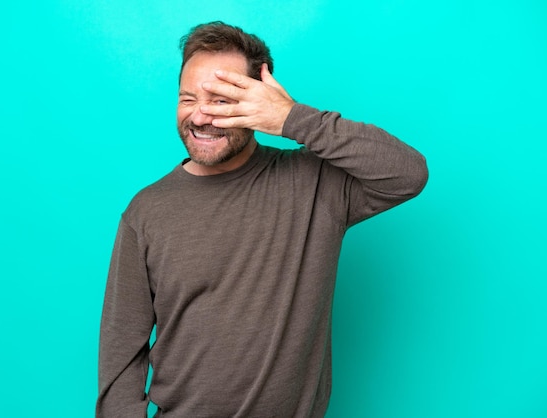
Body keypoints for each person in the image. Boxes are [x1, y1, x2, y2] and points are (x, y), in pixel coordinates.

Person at [96, 21, 428, 418]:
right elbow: (121, 353)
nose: (200, 116)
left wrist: (293, 118)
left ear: (260, 101)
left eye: (221, 100)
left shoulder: (314, 184)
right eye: (187, 99)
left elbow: (408, 173)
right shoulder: (146, 210)